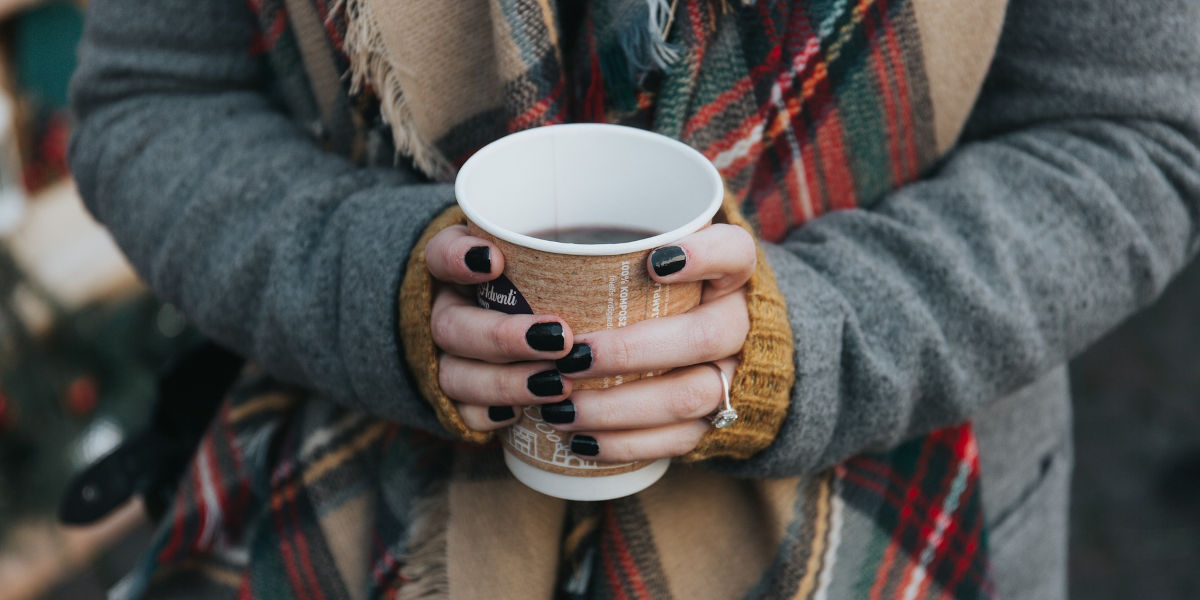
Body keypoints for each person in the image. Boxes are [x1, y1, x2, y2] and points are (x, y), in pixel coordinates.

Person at [68, 0, 1199, 598]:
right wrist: (381, 292)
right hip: (354, 531)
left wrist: (804, 343)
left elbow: (1133, 135)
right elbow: (153, 100)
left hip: (891, 538)